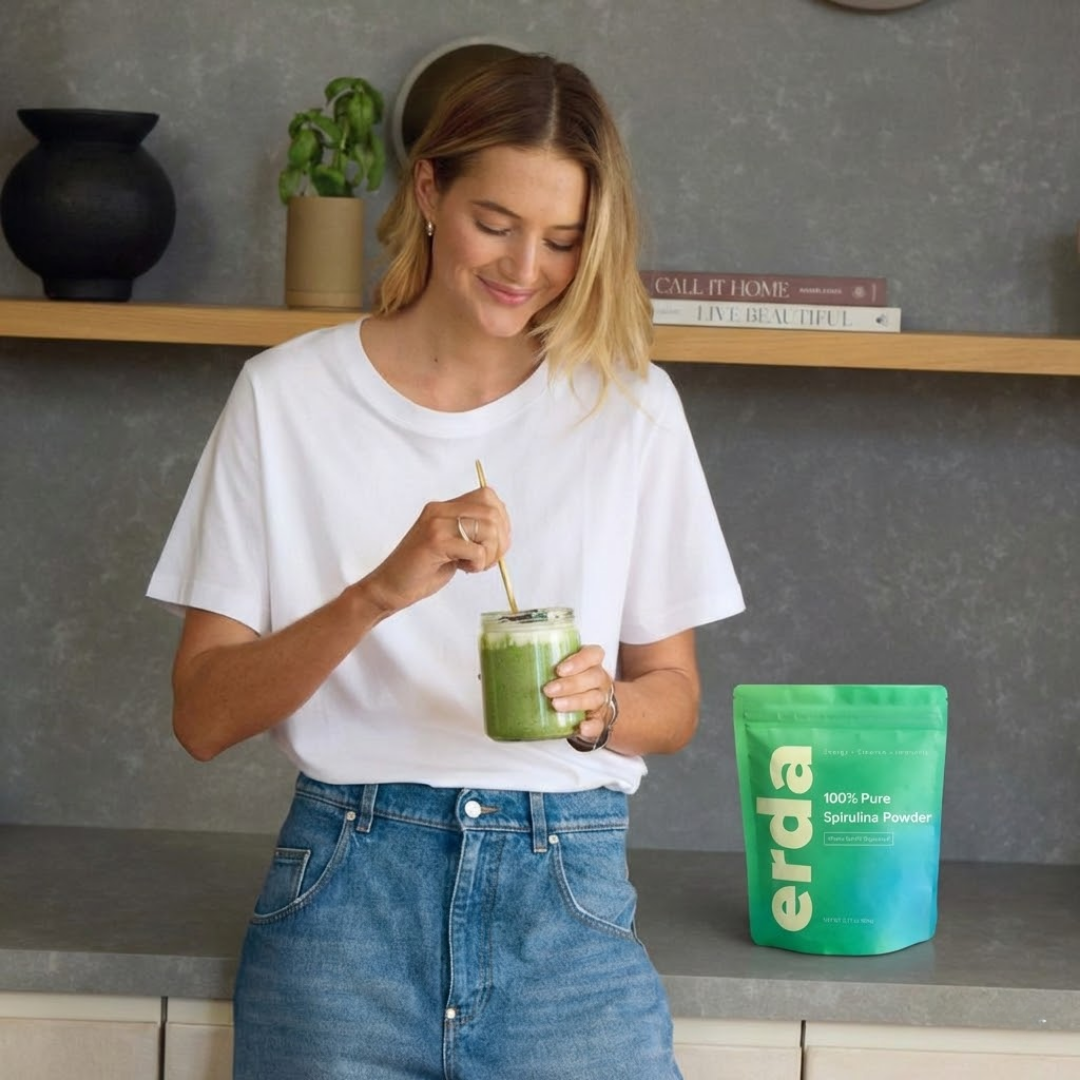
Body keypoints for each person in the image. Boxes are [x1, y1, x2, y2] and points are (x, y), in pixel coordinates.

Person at [148, 51, 744, 1080]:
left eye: (562, 241)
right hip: (344, 909)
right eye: (496, 224)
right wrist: (379, 592)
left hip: (567, 900)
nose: (527, 269)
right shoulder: (286, 398)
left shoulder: (631, 408)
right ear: (429, 190)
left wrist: (600, 711)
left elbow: (676, 699)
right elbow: (203, 717)